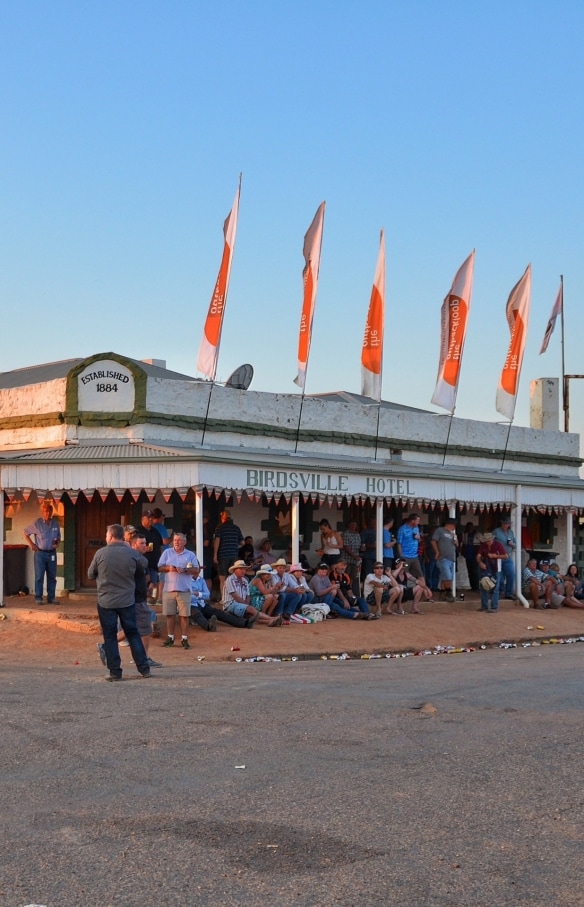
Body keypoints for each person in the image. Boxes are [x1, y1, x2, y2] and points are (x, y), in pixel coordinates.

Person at [88, 523, 151, 681]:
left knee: (109, 637)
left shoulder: (100, 553)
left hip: (106, 600)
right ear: (123, 537)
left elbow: (90, 574)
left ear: (110, 536)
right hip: (127, 600)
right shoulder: (131, 553)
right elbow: (144, 564)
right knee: (133, 633)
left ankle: (115, 671)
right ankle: (144, 668)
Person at [158, 532, 200, 649]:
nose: (176, 542)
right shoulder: (167, 553)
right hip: (169, 589)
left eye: (179, 540)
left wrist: (186, 570)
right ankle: (170, 638)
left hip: (184, 589)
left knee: (184, 616)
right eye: (175, 540)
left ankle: (184, 639)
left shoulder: (190, 554)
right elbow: (159, 567)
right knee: (170, 615)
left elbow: (196, 570)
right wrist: (169, 568)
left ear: (184, 542)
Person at [189, 564, 254, 629]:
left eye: (197, 569)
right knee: (197, 614)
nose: (197, 571)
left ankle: (244, 623)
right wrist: (200, 595)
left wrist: (197, 594)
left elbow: (207, 595)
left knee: (220, 613)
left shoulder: (201, 580)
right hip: (190, 605)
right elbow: (188, 596)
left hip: (201, 604)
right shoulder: (186, 580)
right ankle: (208, 626)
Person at [222, 560, 281, 626]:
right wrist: (246, 605)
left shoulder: (244, 580)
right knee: (250, 610)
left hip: (242, 603)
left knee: (250, 615)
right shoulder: (230, 579)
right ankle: (271, 618)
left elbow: (248, 595)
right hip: (230, 604)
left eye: (244, 569)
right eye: (241, 569)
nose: (243, 571)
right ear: (235, 570)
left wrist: (246, 604)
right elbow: (235, 597)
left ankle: (269, 621)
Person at [23, 501, 61, 604]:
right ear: (42, 512)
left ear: (51, 512)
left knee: (52, 576)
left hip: (52, 553)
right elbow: (25, 533)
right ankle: (38, 597)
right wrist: (32, 545)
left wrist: (57, 543)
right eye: (45, 511)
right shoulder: (37, 523)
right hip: (40, 554)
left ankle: (51, 597)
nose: (47, 513)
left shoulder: (55, 524)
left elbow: (58, 537)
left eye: (49, 511)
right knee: (39, 576)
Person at [213, 509, 244, 593]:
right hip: (234, 555)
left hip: (223, 555)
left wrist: (215, 555)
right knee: (232, 578)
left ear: (223, 517)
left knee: (222, 579)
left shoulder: (220, 527)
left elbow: (217, 541)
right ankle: (231, 598)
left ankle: (223, 599)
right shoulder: (236, 528)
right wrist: (234, 545)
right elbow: (242, 542)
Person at [476, 532, 506, 612]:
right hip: (486, 568)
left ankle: (494, 607)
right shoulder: (483, 546)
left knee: (495, 588)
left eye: (489, 541)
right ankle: (484, 606)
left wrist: (496, 556)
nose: (487, 543)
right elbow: (478, 556)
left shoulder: (498, 545)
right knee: (483, 586)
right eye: (486, 541)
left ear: (492, 539)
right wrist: (480, 563)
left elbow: (505, 556)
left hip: (496, 569)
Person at [431, 518, 458, 602]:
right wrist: (437, 552)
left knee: (445, 577)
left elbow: (456, 545)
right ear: (450, 524)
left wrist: (456, 543)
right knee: (448, 577)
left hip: (451, 558)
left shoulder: (452, 533)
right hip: (443, 557)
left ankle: (443, 594)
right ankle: (448, 593)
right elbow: (433, 541)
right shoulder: (440, 530)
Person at [140, 511, 163, 603]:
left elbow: (160, 545)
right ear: (143, 519)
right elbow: (133, 546)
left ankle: (152, 599)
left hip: (154, 562)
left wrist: (161, 559)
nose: (150, 519)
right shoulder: (138, 531)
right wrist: (144, 548)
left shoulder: (155, 531)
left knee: (154, 582)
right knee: (145, 581)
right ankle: (143, 599)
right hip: (142, 562)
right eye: (148, 517)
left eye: (151, 518)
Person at [493, 517, 517, 599]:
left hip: (508, 556)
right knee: (499, 575)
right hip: (498, 556)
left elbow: (515, 544)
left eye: (507, 524)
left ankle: (508, 593)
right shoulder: (496, 531)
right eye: (504, 523)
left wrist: (512, 544)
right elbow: (491, 542)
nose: (505, 525)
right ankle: (499, 591)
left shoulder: (511, 532)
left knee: (511, 574)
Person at [396, 514, 423, 578]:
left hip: (415, 556)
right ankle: (406, 587)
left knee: (420, 574)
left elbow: (419, 541)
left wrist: (419, 538)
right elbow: (399, 543)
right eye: (418, 521)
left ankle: (424, 587)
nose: (419, 522)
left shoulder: (416, 528)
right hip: (405, 556)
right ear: (412, 521)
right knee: (405, 574)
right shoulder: (402, 529)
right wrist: (401, 556)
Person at [341, 519, 363, 595]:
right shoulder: (345, 534)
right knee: (345, 575)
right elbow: (345, 547)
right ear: (348, 525)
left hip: (355, 560)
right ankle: (344, 592)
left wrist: (362, 548)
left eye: (355, 524)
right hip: (347, 559)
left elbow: (359, 545)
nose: (354, 526)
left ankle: (350, 592)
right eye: (352, 524)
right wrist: (354, 556)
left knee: (352, 577)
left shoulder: (357, 534)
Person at [461, 522, 481, 592]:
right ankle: (472, 587)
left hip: (475, 556)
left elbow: (481, 544)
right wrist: (463, 552)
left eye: (471, 526)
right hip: (468, 556)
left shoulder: (478, 534)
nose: (470, 528)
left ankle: (477, 587)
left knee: (476, 572)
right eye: (468, 527)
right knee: (470, 572)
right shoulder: (465, 534)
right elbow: (463, 544)